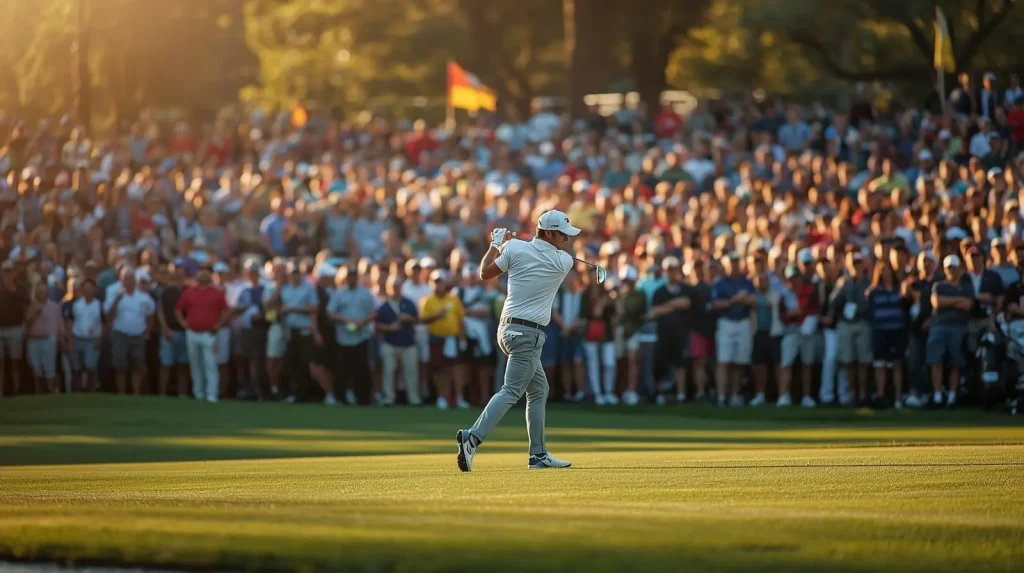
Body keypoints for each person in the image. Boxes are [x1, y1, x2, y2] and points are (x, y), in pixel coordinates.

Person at [456, 210, 579, 472]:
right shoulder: (564, 261)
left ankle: (538, 454)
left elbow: (485, 273)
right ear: (548, 233)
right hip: (529, 335)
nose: (566, 241)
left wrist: (496, 245)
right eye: (562, 235)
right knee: (511, 391)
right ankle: (472, 437)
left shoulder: (514, 248)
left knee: (538, 390)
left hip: (507, 330)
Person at [175, 268, 229, 403]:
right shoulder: (189, 292)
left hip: (209, 334)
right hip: (192, 333)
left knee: (210, 363)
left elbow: (226, 311)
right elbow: (178, 309)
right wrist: (183, 323)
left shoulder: (217, 293)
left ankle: (212, 394)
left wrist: (219, 324)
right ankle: (198, 393)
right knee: (195, 364)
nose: (202, 276)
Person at [927, 255, 974, 408]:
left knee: (956, 362)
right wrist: (957, 300)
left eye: (954, 267)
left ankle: (952, 397)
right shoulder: (939, 285)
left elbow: (967, 305)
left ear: (960, 268)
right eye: (949, 268)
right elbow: (937, 302)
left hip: (959, 327)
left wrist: (947, 301)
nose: (952, 270)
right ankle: (937, 396)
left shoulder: (966, 286)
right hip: (939, 326)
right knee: (936, 360)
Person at [326, 265, 377, 405]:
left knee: (362, 368)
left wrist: (363, 322)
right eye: (349, 276)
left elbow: (373, 312)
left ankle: (363, 399)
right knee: (342, 368)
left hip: (361, 336)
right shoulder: (339, 294)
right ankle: (341, 397)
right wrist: (345, 320)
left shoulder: (365, 293)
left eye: (354, 276)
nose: (352, 278)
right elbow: (330, 313)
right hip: (343, 337)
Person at [711, 251, 756, 406]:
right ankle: (722, 396)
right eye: (732, 262)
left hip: (743, 323)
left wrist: (738, 300)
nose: (735, 265)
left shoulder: (746, 282)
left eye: (737, 261)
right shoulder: (720, 282)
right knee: (724, 361)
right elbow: (716, 304)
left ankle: (735, 395)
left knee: (739, 362)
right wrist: (735, 300)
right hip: (726, 323)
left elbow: (753, 300)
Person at [830, 252, 873, 405]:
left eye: (859, 263)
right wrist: (841, 287)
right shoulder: (844, 282)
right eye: (854, 263)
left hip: (863, 323)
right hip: (846, 324)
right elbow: (833, 303)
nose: (857, 266)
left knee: (863, 361)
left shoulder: (869, 283)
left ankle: (862, 394)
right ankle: (852, 394)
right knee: (848, 361)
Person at [104, 267, 155, 395]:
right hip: (120, 334)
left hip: (139, 335)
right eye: (125, 277)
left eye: (131, 277)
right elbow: (108, 316)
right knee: (120, 367)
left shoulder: (143, 296)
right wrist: (117, 300)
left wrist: (147, 331)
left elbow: (150, 315)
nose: (128, 280)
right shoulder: (113, 293)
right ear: (121, 279)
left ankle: (136, 394)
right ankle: (121, 393)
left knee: (137, 366)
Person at [649, 257, 693, 405]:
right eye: (668, 270)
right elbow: (654, 312)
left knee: (680, 364)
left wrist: (665, 307)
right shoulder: (659, 291)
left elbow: (686, 303)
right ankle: (659, 394)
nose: (671, 273)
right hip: (663, 333)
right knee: (660, 364)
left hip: (680, 333)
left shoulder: (686, 289)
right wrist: (674, 305)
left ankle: (681, 394)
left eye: (673, 269)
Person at [420, 269, 466, 409]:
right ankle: (442, 397)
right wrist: (436, 316)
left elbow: (460, 320)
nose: (438, 285)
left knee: (456, 369)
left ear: (445, 283)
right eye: (436, 282)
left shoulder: (453, 298)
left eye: (440, 282)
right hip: (436, 338)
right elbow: (423, 320)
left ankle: (459, 397)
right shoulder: (427, 300)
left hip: (453, 339)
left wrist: (462, 339)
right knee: (439, 370)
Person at [866, 260, 908, 409]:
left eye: (888, 269)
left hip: (897, 331)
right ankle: (881, 396)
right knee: (880, 364)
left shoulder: (900, 290)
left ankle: (897, 399)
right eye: (882, 270)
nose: (886, 273)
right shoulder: (873, 291)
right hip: (880, 331)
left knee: (897, 364)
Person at [376, 274, 421, 406]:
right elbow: (376, 325)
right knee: (388, 372)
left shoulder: (409, 303)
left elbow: (417, 319)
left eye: (398, 286)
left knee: (411, 372)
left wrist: (408, 319)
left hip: (408, 343)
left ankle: (414, 399)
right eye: (393, 286)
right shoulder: (384, 306)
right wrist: (389, 328)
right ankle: (388, 398)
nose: (396, 289)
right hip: (390, 343)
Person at [278, 262, 319, 402]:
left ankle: (306, 395)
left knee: (305, 363)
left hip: (305, 330)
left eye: (297, 274)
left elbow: (314, 308)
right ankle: (293, 393)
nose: (295, 276)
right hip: (290, 331)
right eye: (292, 274)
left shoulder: (309, 288)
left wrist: (293, 309)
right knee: (291, 363)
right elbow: (282, 309)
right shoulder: (285, 289)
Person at [580, 273, 618, 405]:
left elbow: (616, 313)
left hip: (607, 335)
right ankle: (597, 393)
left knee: (609, 363)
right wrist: (601, 303)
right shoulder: (586, 295)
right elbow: (595, 313)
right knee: (593, 364)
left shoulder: (608, 293)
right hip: (591, 334)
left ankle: (608, 392)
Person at [616, 266, 648, 406]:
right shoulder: (619, 295)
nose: (626, 283)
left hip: (634, 331)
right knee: (620, 361)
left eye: (628, 281)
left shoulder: (640, 295)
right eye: (624, 281)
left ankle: (631, 391)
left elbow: (631, 311)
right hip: (620, 331)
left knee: (632, 360)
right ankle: (620, 391)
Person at [24, 282, 63, 394]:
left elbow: (60, 325)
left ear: (47, 293)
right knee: (36, 370)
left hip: (48, 341)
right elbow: (27, 322)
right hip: (33, 341)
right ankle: (39, 393)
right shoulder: (32, 305)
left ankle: (52, 393)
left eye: (43, 291)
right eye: (39, 291)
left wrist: (61, 340)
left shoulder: (54, 306)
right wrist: (35, 313)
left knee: (50, 369)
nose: (42, 293)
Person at [157, 263, 189, 397]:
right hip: (169, 331)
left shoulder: (189, 290)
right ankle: (162, 394)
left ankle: (182, 394)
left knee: (183, 366)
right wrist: (164, 328)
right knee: (166, 365)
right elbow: (160, 311)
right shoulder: (166, 290)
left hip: (184, 332)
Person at [66, 278, 102, 392]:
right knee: (77, 368)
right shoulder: (76, 305)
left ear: (94, 290)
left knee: (90, 367)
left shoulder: (99, 305)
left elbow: (105, 323)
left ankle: (91, 391)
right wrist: (71, 342)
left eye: (90, 288)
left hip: (92, 341)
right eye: (85, 288)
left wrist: (100, 338)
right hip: (78, 339)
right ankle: (77, 393)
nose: (87, 290)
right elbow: (70, 323)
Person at [0, 261, 29, 397]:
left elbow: (25, 307)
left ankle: (16, 391)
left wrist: (13, 292)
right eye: (5, 271)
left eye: (10, 271)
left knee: (15, 362)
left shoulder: (20, 288)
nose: (7, 274)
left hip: (16, 328)